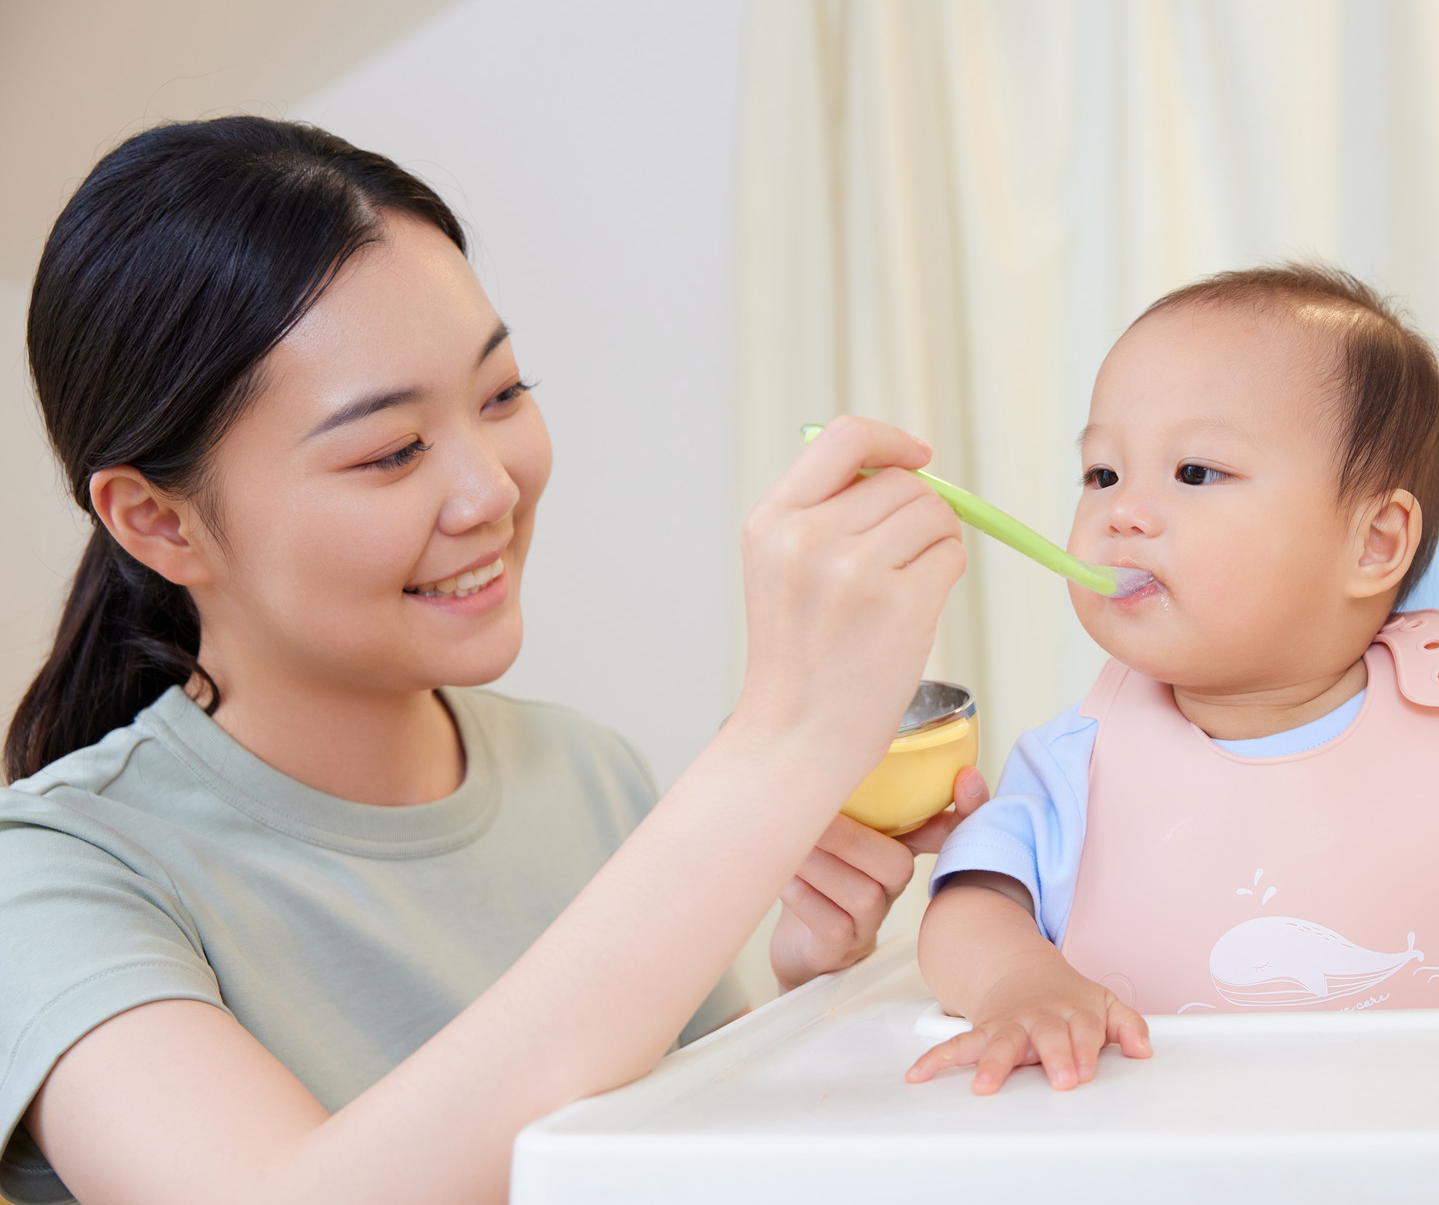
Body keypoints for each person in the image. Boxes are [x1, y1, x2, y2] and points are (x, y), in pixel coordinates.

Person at [0, 117, 980, 1204]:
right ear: (158, 521)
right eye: (391, 451)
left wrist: (804, 989)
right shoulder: (52, 881)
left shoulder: (587, 773)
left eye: (503, 394)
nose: (492, 491)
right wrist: (778, 745)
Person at [910, 264, 1439, 1096]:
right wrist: (1020, 984)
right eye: (1102, 473)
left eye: (1195, 472)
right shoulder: (1073, 764)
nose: (1121, 512)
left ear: (1375, 542)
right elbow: (971, 903)